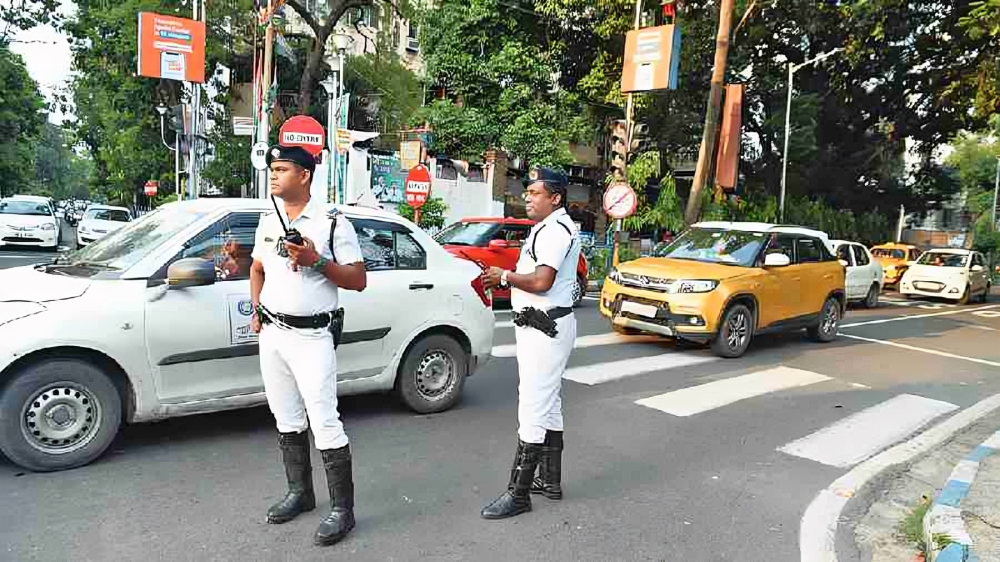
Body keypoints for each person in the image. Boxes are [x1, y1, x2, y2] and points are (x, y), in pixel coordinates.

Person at [249, 145, 367, 546]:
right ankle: (300, 492)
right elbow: (257, 267)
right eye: (272, 169)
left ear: (304, 175)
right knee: (285, 417)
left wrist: (316, 260)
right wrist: (256, 308)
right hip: (274, 334)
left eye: (281, 169)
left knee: (324, 420)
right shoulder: (268, 218)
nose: (273, 175)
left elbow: (357, 279)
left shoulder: (333, 222)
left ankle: (342, 510)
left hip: (312, 336)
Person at [479, 166, 581, 519]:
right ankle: (549, 481)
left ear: (555, 197)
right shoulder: (550, 227)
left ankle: (518, 493)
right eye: (527, 192)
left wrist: (504, 276)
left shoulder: (554, 231)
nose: (528, 197)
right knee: (548, 404)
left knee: (533, 408)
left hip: (544, 329)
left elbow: (542, 281)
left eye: (535, 193)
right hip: (543, 326)